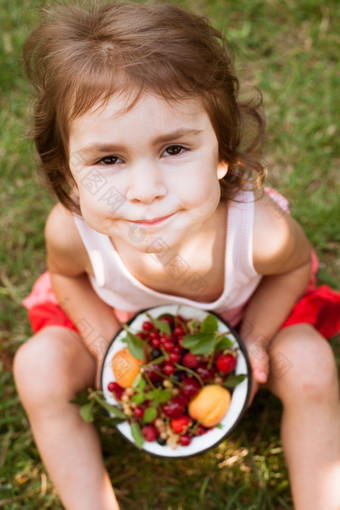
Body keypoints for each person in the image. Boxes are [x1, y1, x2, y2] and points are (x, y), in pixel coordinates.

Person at [13, 2, 340, 509]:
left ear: (223, 155)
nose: (144, 190)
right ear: (68, 176)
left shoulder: (259, 233)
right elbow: (68, 278)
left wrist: (253, 340)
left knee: (311, 364)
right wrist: (106, 344)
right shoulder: (74, 232)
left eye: (173, 149)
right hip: (126, 323)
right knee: (37, 368)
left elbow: (295, 268)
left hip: (244, 314)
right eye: (108, 159)